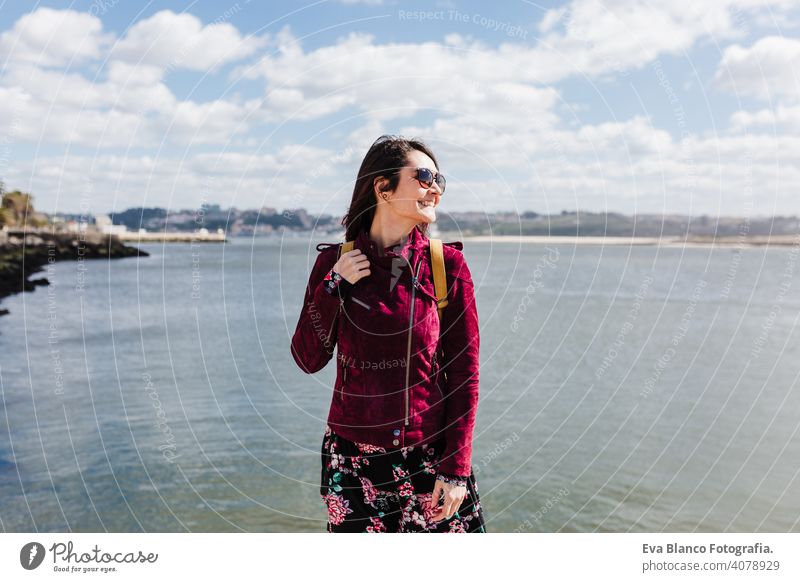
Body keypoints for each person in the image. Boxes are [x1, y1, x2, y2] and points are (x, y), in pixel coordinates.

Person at [290, 134, 485, 533]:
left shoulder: (446, 266)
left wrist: (456, 469)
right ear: (382, 187)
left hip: (431, 460)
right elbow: (308, 359)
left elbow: (465, 374)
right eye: (425, 176)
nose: (435, 190)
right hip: (353, 463)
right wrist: (334, 288)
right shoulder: (335, 263)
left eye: (439, 181)